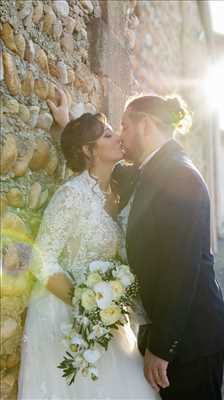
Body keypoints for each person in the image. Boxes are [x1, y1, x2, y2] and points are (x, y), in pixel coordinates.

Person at [18, 90, 159, 399]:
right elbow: (41, 259)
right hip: (68, 316)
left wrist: (68, 123)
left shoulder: (122, 188)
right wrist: (84, 301)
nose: (119, 136)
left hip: (106, 318)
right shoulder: (71, 195)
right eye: (109, 135)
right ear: (89, 150)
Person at [119, 94, 224, 400]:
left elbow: (181, 268)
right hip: (177, 334)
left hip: (192, 339)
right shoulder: (155, 168)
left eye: (125, 126)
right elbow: (113, 172)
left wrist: (162, 346)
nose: (121, 136)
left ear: (145, 125)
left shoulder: (179, 175)